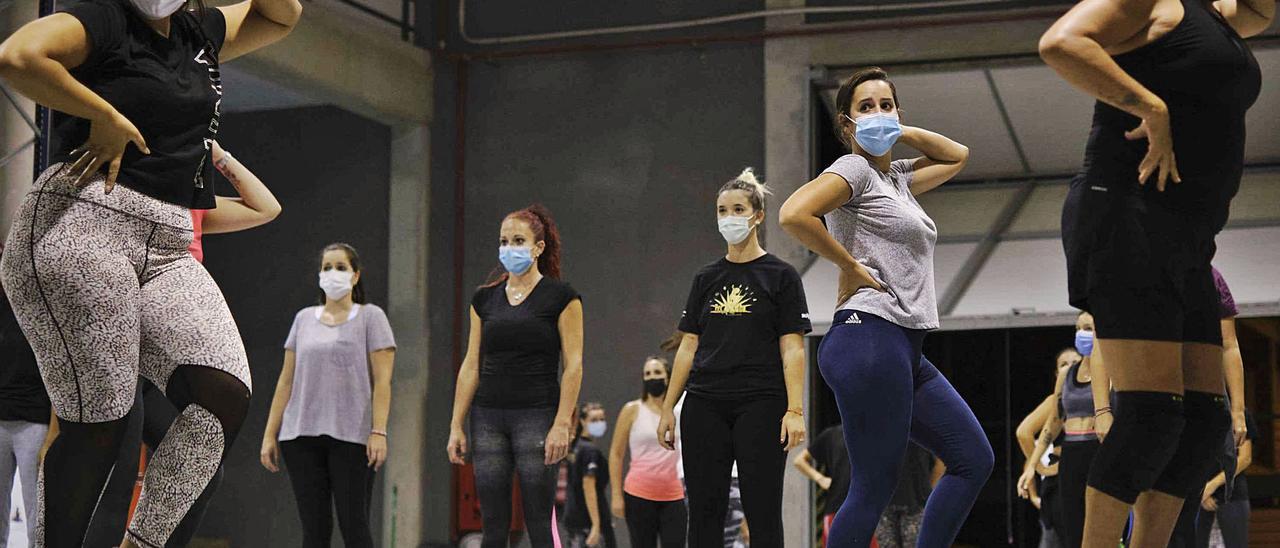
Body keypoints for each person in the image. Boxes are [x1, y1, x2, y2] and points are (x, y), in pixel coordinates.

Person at [0, 0, 301, 542]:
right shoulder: (106, 20)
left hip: (168, 239)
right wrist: (102, 114)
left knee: (222, 397)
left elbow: (281, 15)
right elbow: (18, 56)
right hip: (84, 219)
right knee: (102, 424)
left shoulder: (199, 30)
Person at [1040, 0, 1270, 542]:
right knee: (1150, 417)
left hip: (1187, 236)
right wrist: (1150, 107)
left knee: (1202, 425)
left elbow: (1260, 11)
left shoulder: (1217, 14)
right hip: (1127, 214)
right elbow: (1062, 44)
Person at [779, 66, 991, 547]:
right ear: (845, 125)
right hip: (868, 335)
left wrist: (904, 131)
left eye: (886, 105)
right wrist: (848, 264)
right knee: (874, 486)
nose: (878, 114)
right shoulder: (853, 170)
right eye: (865, 108)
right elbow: (793, 213)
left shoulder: (894, 178)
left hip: (904, 346)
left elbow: (957, 156)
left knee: (972, 459)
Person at [82, 139, 282, 546]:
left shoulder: (191, 211)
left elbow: (266, 207)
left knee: (202, 470)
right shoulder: (129, 196)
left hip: (160, 361)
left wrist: (218, 154)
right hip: (118, 354)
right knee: (114, 480)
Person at [656, 168, 810, 547]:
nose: (728, 218)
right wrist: (667, 407)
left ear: (757, 216)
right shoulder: (705, 278)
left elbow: (792, 347)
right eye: (722, 211)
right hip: (705, 401)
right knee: (704, 512)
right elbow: (688, 346)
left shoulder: (781, 276)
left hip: (761, 401)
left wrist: (794, 410)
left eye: (737, 209)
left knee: (762, 511)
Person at [447, 205, 584, 548]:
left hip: (537, 414)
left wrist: (563, 423)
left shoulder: (562, 297)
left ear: (538, 247)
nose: (509, 248)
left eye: (519, 240)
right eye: (504, 241)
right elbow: (470, 365)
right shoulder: (484, 299)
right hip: (488, 416)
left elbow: (574, 364)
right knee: (492, 523)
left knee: (539, 519)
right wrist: (455, 424)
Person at [259, 243, 396, 548]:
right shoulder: (304, 319)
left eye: (341, 267)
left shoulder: (371, 317)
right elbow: (286, 380)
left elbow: (383, 381)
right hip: (301, 435)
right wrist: (270, 433)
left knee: (355, 526)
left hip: (352, 435)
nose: (333, 273)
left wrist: (379, 431)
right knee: (315, 530)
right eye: (326, 267)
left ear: (356, 275)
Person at [1168, 266, 1253, 548]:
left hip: (1205, 394)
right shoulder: (1144, 269)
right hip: (1159, 395)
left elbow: (1230, 345)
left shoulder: (1212, 278)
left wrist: (1238, 410)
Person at [1019, 313, 1104, 548]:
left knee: (1102, 527)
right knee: (1073, 532)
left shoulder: (1111, 370)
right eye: (1078, 328)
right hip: (1072, 454)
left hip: (1099, 451)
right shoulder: (1067, 375)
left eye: (1088, 327)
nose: (1081, 333)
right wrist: (1033, 466)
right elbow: (1054, 420)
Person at [0, 246, 52, 547]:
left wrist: (52, 434)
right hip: (2, 419)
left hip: (35, 422)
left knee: (37, 520)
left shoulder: (44, 309)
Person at [609, 357, 686, 548]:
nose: (653, 377)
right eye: (648, 374)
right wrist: (616, 495)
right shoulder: (632, 410)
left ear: (668, 377)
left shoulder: (678, 411)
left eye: (657, 373)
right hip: (639, 494)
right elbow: (616, 454)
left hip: (675, 495)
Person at [1015, 347, 1082, 548]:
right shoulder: (1055, 402)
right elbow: (1024, 433)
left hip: (1090, 474)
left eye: (1074, 363)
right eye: (1064, 365)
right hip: (1062, 479)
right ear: (1056, 374)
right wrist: (1040, 470)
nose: (1069, 368)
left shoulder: (1099, 393)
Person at [565, 402, 616, 548]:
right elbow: (588, 485)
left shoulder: (576, 447)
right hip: (587, 520)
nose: (599, 424)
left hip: (574, 516)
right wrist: (596, 524)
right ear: (582, 421)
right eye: (594, 420)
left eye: (602, 419)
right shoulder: (590, 451)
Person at [794, 423, 851, 547]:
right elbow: (799, 460)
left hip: (867, 510)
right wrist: (820, 478)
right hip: (836, 507)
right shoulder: (832, 435)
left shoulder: (871, 435)